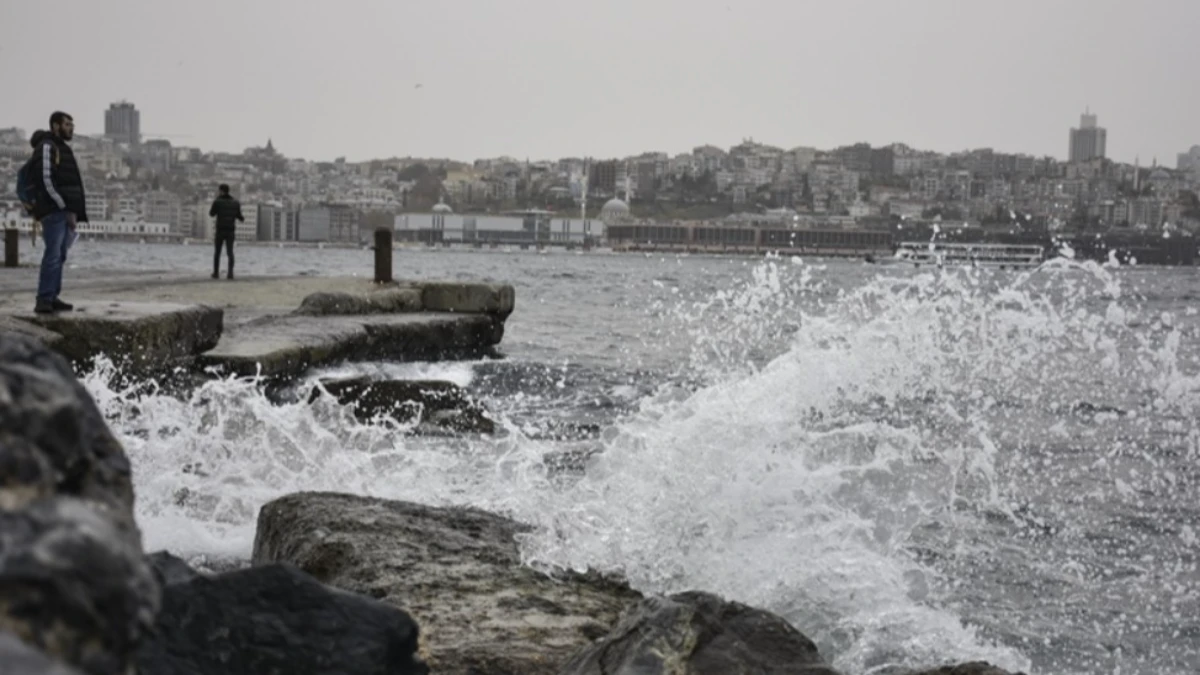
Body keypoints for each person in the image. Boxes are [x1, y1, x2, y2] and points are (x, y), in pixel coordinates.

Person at [27, 112, 88, 314]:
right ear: (55, 126)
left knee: (59, 255)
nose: (71, 128)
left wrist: (72, 210)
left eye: (72, 124)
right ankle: (44, 298)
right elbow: (45, 179)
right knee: (53, 255)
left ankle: (52, 296)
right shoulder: (47, 146)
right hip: (54, 211)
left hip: (63, 211)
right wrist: (62, 205)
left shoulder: (61, 148)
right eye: (67, 124)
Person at [208, 184, 244, 279]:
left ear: (221, 191)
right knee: (230, 252)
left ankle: (216, 273)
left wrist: (217, 201)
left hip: (220, 230)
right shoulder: (235, 203)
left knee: (217, 252)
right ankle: (230, 273)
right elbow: (240, 217)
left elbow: (211, 214)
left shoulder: (217, 202)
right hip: (230, 231)